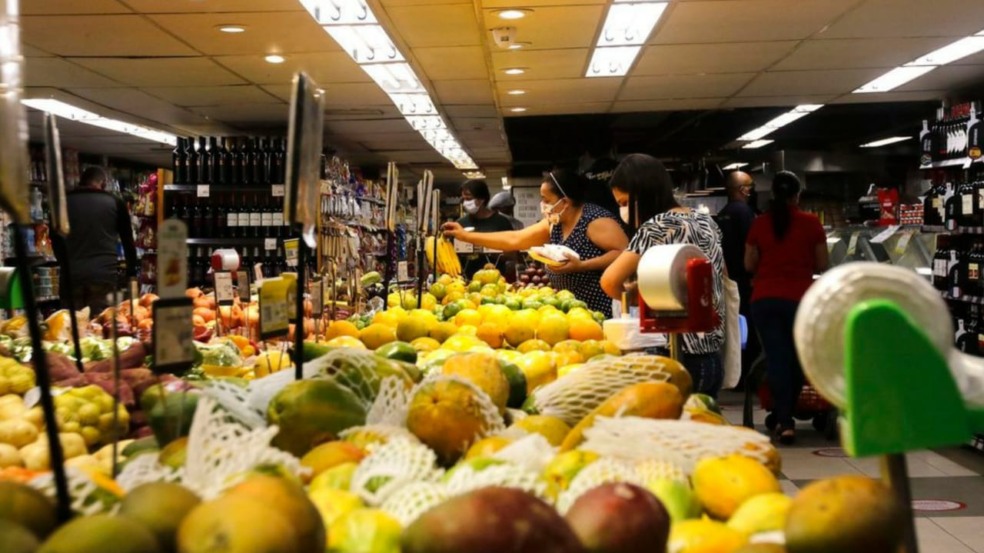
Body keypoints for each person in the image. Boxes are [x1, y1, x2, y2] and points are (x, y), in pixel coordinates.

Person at [600, 153, 726, 397]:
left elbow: (610, 281)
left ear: (642, 194)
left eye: (625, 203)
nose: (623, 210)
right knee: (702, 422)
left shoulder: (656, 227)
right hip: (711, 357)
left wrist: (637, 297)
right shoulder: (706, 221)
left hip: (672, 356)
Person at [443, 169, 627, 317]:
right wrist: (464, 236)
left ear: (565, 201)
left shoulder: (594, 220)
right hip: (569, 309)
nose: (542, 204)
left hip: (599, 309)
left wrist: (582, 266)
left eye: (546, 200)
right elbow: (515, 239)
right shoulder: (554, 222)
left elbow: (623, 252)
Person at [745, 171, 829, 445]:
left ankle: (784, 419)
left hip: (764, 300)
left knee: (777, 357)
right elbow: (821, 264)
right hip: (800, 301)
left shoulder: (759, 224)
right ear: (797, 196)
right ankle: (786, 416)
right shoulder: (811, 223)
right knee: (796, 358)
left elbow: (749, 264)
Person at [53, 167, 137, 315]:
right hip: (103, 276)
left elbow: (55, 240)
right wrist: (131, 273)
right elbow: (127, 241)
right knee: (100, 325)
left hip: (72, 277)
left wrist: (66, 263)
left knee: (70, 325)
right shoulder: (115, 202)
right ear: (103, 183)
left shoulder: (62, 203)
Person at [716, 171, 758, 389]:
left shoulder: (722, 214)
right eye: (750, 186)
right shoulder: (745, 212)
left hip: (727, 281)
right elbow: (753, 249)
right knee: (749, 330)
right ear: (742, 189)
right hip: (745, 281)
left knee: (734, 330)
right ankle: (747, 377)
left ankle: (735, 374)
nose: (752, 190)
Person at [456, 179, 514, 279]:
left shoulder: (501, 223)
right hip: (465, 281)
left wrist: (488, 249)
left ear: (481, 199)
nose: (465, 203)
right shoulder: (460, 224)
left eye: (469, 199)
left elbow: (512, 254)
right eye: (463, 199)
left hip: (496, 281)